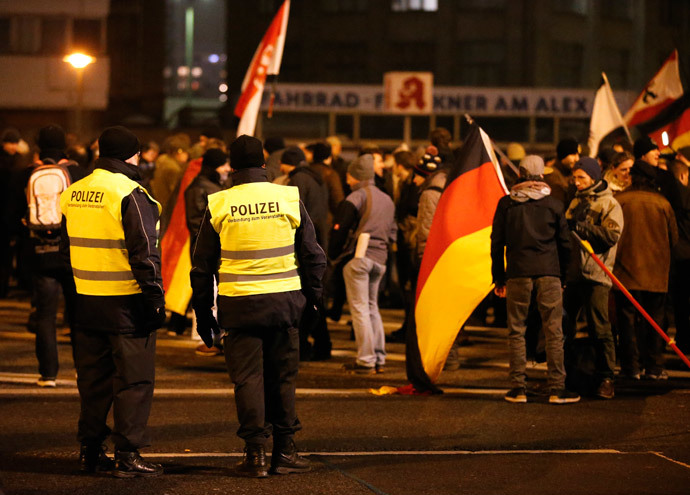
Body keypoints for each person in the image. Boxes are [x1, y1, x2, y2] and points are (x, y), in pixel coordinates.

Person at [191, 135, 326, 477]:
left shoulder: (219, 203)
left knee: (248, 380)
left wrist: (204, 312)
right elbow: (313, 254)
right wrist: (314, 298)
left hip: (239, 306)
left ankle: (255, 456)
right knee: (283, 379)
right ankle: (286, 452)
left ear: (232, 167)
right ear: (265, 164)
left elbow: (202, 265)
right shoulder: (287, 196)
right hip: (284, 303)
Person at [60, 126, 166, 477]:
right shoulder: (130, 192)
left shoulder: (75, 191)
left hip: (86, 300)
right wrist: (154, 299)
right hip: (127, 302)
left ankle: (90, 451)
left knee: (92, 381)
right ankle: (127, 454)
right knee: (133, 381)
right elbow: (145, 254)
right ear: (131, 155)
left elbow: (67, 249)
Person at [490, 155, 578, 404]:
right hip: (549, 271)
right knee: (553, 330)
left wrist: (499, 278)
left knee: (516, 330)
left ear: (520, 174)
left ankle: (518, 387)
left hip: (517, 272)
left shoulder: (506, 204)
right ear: (542, 176)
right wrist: (564, 276)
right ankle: (557, 388)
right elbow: (565, 244)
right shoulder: (554, 205)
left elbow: (497, 244)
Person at [22, 125, 87, 387]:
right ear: (64, 146)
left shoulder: (28, 174)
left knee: (45, 316)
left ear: (38, 146)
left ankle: (48, 374)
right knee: (78, 314)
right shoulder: (79, 173)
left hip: (40, 253)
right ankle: (82, 370)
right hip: (72, 252)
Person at [329, 154, 397, 374]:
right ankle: (379, 356)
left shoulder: (356, 197)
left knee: (359, 310)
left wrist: (333, 255)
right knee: (371, 307)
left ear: (356, 175)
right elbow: (394, 232)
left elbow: (339, 232)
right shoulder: (387, 199)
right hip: (381, 258)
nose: (347, 179)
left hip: (359, 256)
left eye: (349, 175)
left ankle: (365, 360)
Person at [563, 157, 623, 399]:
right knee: (564, 326)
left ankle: (606, 377)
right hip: (575, 274)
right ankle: (564, 375)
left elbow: (611, 236)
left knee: (600, 328)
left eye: (581, 178)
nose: (576, 182)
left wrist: (582, 227)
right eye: (574, 177)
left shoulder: (610, 204)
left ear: (594, 178)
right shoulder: (576, 200)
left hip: (597, 274)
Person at [613, 160, 678, 380]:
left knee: (627, 321)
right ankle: (654, 366)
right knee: (656, 321)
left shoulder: (620, 201)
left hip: (624, 271)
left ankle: (630, 367)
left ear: (632, 177)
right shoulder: (662, 203)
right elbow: (674, 238)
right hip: (656, 272)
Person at [279, 146, 332, 360]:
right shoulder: (318, 178)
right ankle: (322, 344)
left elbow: (295, 213)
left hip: (305, 244)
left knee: (306, 300)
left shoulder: (298, 180)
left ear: (287, 162)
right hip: (319, 241)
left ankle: (305, 345)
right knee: (314, 297)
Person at [544, 138, 579, 207]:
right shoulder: (551, 175)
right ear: (563, 155)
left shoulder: (571, 173)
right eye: (573, 154)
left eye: (578, 154)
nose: (577, 159)